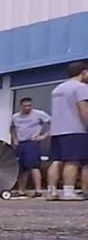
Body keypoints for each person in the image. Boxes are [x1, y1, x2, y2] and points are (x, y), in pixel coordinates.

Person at [46, 61, 88, 201]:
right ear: (83, 72)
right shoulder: (81, 87)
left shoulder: (57, 89)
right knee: (72, 161)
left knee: (56, 160)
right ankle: (69, 192)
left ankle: (52, 191)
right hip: (74, 129)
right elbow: (84, 109)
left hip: (57, 130)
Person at [9, 97, 51, 198]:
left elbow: (51, 123)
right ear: (21, 106)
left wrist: (44, 136)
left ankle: (38, 190)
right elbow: (12, 128)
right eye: (25, 106)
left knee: (33, 166)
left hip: (32, 142)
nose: (28, 108)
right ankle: (21, 191)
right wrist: (15, 139)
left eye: (29, 106)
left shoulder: (39, 114)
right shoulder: (16, 117)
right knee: (21, 168)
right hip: (21, 143)